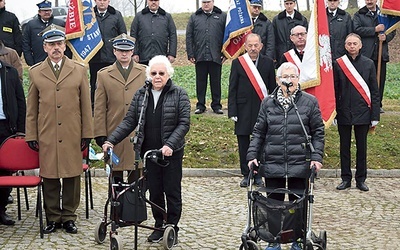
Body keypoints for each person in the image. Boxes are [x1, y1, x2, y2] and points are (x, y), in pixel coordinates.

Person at [102, 55, 190, 245]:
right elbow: (129, 121)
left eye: (161, 73)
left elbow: (184, 124)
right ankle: (159, 225)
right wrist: (111, 141)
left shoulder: (179, 94)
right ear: (148, 74)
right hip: (149, 152)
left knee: (172, 191)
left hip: (170, 153)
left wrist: (170, 145)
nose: (157, 76)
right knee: (155, 191)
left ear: (168, 74)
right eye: (154, 73)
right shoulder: (141, 95)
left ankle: (172, 226)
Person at [247, 62, 324, 250]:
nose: (289, 81)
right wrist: (252, 155)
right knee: (273, 205)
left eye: (292, 77)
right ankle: (274, 240)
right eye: (285, 77)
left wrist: (317, 157)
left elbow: (318, 132)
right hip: (273, 161)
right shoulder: (267, 102)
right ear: (277, 80)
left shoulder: (309, 102)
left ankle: (298, 239)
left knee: (298, 204)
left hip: (299, 162)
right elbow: (259, 132)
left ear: (298, 80)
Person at [25, 24, 93, 234]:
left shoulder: (79, 70)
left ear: (65, 46)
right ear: (45, 47)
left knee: (72, 175)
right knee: (51, 176)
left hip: (72, 132)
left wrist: (87, 134)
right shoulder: (36, 72)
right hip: (47, 132)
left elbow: (86, 105)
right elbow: (32, 108)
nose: (56, 48)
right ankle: (53, 217)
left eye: (59, 43)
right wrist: (31, 134)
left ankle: (69, 216)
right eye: (52, 44)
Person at [94, 34, 146, 183]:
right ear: (114, 51)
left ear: (132, 51)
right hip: (113, 131)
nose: (124, 54)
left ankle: (135, 206)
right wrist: (100, 134)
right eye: (120, 50)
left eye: (127, 50)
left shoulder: (144, 72)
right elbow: (99, 107)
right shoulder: (103, 75)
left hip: (137, 132)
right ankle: (117, 206)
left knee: (136, 177)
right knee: (115, 179)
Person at [228, 33, 276, 188]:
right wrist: (232, 111)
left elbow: (272, 89)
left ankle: (258, 175)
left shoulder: (268, 63)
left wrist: (273, 110)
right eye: (250, 45)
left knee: (261, 143)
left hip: (262, 109)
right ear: (245, 46)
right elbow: (232, 88)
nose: (253, 48)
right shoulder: (238, 63)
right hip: (242, 110)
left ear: (261, 46)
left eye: (256, 45)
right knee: (244, 143)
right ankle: (246, 174)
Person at [333, 33, 380, 192]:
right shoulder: (338, 64)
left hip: (363, 112)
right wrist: (334, 112)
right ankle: (345, 179)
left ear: (360, 46)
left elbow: (374, 91)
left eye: (355, 43)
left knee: (362, 148)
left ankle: (361, 180)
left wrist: (375, 116)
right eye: (349, 44)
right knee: (344, 147)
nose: (352, 46)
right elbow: (334, 90)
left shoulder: (368, 64)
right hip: (343, 112)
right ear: (345, 46)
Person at [353, 0, 396, 113]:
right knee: (365, 80)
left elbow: (392, 29)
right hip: (366, 54)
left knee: (379, 81)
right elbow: (356, 30)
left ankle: (378, 105)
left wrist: (386, 37)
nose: (369, 1)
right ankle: (365, 103)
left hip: (381, 54)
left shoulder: (385, 14)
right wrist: (374, 30)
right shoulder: (359, 14)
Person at [186, 0, 226, 115]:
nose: (206, 4)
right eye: (204, 2)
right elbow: (189, 37)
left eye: (208, 2)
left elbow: (227, 36)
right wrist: (191, 54)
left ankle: (217, 105)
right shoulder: (194, 17)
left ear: (213, 2)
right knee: (200, 82)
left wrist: (225, 54)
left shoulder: (222, 16)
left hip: (216, 55)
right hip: (200, 55)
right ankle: (200, 105)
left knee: (216, 82)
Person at [0, 59, 26, 226]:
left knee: (4, 172)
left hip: (5, 127)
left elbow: (21, 101)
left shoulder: (10, 72)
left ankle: (1, 210)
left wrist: (21, 130)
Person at [89, 0, 126, 110]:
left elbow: (122, 35)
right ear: (95, 1)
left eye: (105, 0)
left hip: (111, 58)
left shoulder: (116, 15)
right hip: (95, 57)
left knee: (113, 84)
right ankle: (94, 107)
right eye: (99, 0)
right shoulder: (89, 15)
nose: (102, 2)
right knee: (95, 84)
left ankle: (113, 106)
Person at [22, 0, 69, 66]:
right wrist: (30, 61)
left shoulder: (60, 23)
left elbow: (67, 41)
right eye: (44, 10)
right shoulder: (31, 25)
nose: (47, 12)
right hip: (38, 61)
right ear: (39, 12)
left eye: (49, 10)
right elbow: (26, 43)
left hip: (58, 61)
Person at [130, 0, 177, 65]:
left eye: (156, 0)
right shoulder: (139, 16)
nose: (153, 2)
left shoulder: (167, 17)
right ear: (147, 1)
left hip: (161, 57)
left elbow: (173, 36)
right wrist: (134, 53)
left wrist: (172, 54)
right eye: (151, 0)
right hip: (143, 57)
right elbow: (133, 35)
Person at [272, 0, 308, 66]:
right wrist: (274, 56)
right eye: (287, 4)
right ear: (284, 4)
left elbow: (306, 37)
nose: (289, 6)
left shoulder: (302, 19)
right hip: (282, 53)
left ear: (294, 4)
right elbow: (273, 39)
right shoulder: (277, 20)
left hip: (298, 54)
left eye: (291, 3)